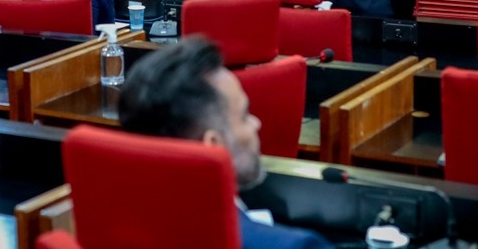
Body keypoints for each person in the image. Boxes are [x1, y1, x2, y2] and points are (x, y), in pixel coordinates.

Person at [119, 37, 334, 249]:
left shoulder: (106, 229)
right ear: (212, 146)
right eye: (244, 116)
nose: (256, 124)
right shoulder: (298, 245)